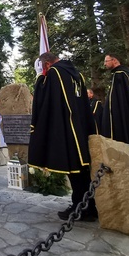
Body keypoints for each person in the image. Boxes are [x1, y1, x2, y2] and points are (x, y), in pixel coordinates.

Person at [29, 52, 98, 221]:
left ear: (46, 64)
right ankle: (87, 207)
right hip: (79, 129)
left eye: (42, 68)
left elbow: (45, 97)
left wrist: (39, 78)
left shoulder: (55, 73)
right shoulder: (77, 74)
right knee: (81, 172)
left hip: (66, 129)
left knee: (74, 171)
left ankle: (80, 208)